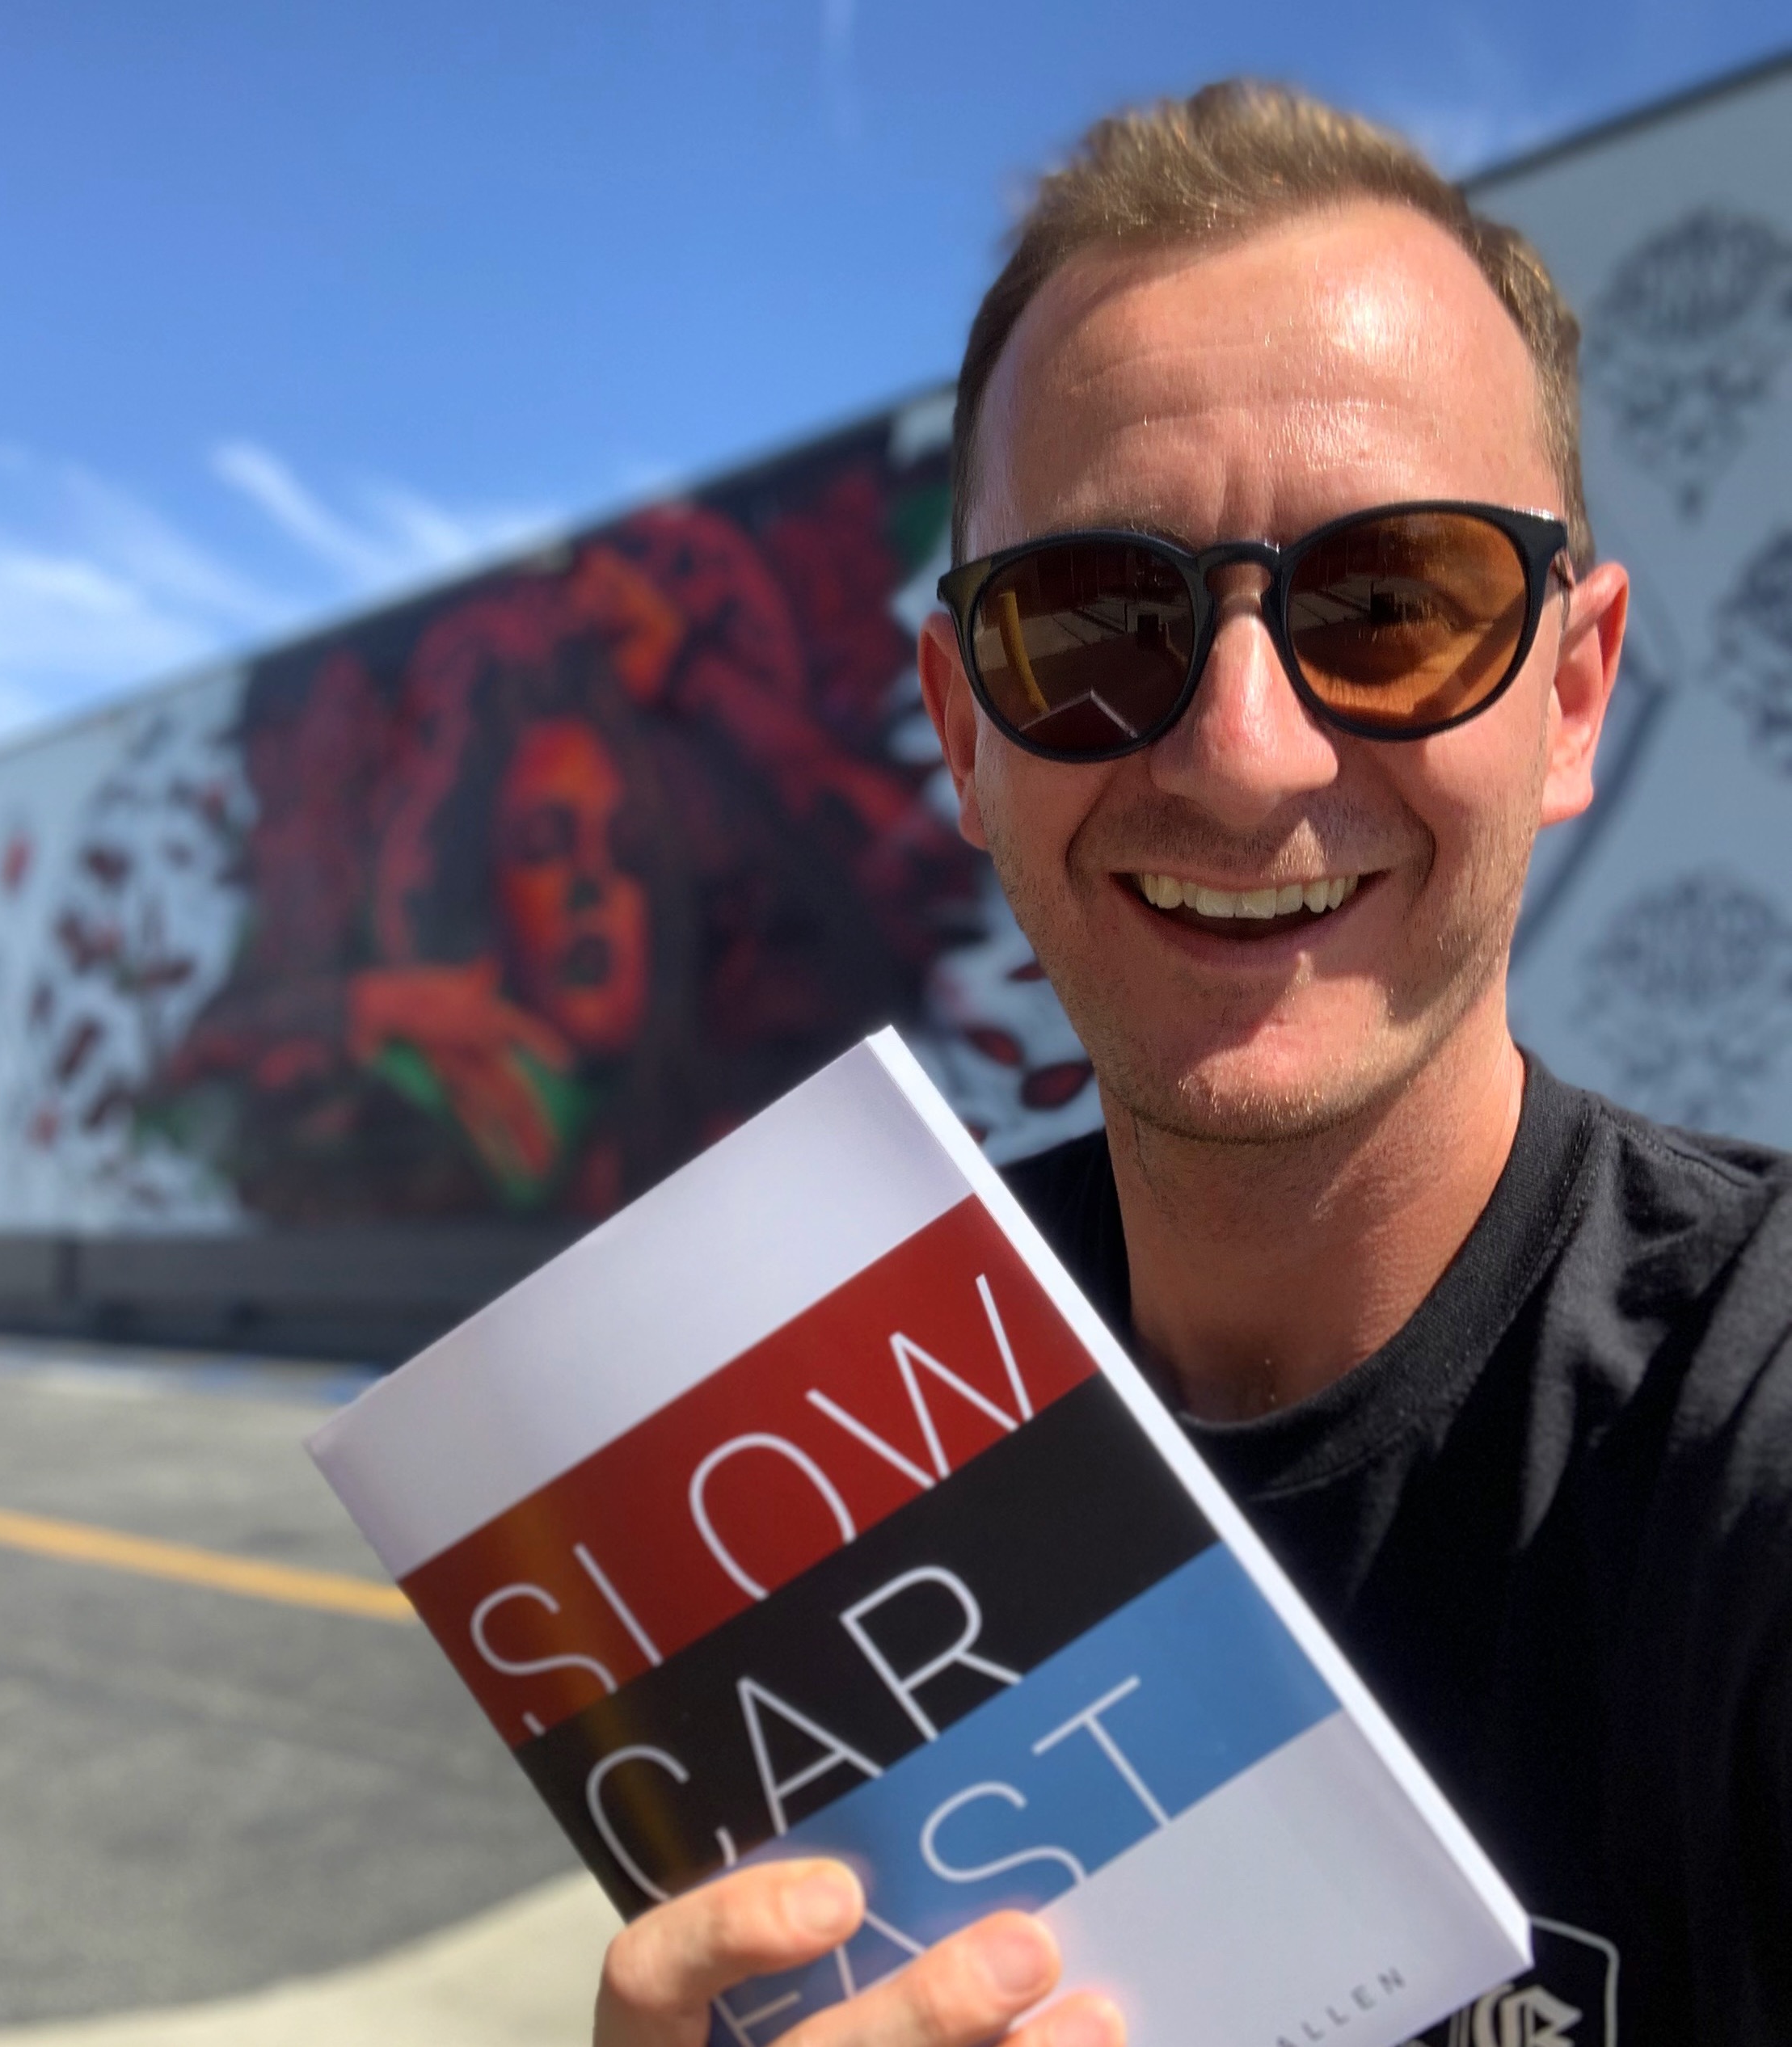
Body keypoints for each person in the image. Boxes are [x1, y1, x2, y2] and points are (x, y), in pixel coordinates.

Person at [594, 82, 1792, 2047]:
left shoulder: (1745, 1435)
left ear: (1572, 696)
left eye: (1395, 604)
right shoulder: (799, 1449)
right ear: (965, 731)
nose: (1243, 753)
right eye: (1090, 622)